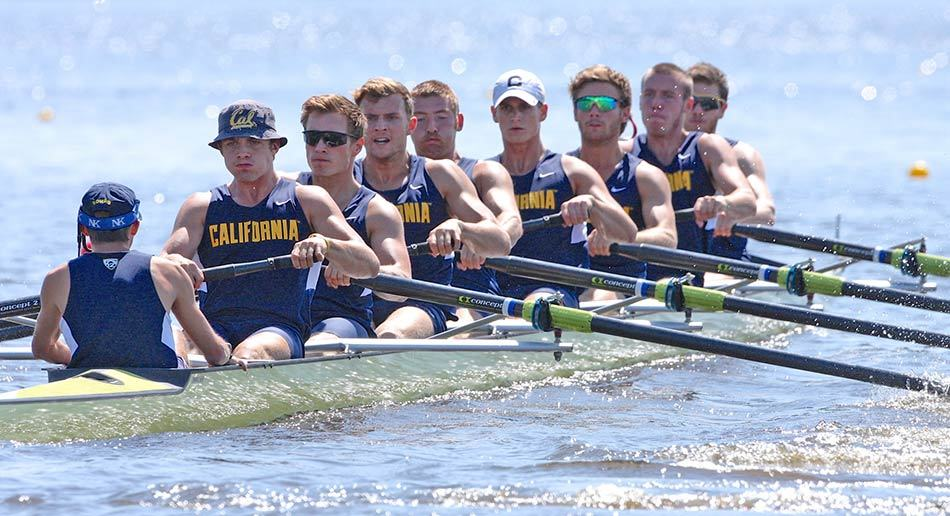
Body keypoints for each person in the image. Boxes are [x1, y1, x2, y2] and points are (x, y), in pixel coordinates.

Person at [163, 100, 379, 361]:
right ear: (221, 150)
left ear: (274, 147)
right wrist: (172, 263)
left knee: (249, 352)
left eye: (253, 143)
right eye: (232, 144)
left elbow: (368, 265)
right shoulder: (200, 207)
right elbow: (161, 267)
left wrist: (326, 244)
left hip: (279, 329)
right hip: (213, 327)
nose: (242, 152)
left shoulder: (308, 200)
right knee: (170, 338)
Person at [353, 77, 510, 339]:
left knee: (390, 334)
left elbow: (500, 242)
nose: (380, 127)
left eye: (391, 117)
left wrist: (461, 228)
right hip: (357, 307)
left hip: (424, 302)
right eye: (371, 118)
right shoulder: (343, 180)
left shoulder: (440, 174)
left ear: (409, 125)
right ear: (357, 127)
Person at [31, 183, 232, 368]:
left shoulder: (57, 278)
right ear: (134, 227)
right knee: (176, 333)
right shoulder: (168, 272)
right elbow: (214, 354)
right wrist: (228, 353)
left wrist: (77, 361)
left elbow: (42, 349)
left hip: (89, 380)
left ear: (84, 229)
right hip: (161, 384)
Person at [489, 68, 638, 307]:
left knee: (536, 301)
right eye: (507, 108)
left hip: (554, 292)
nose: (516, 117)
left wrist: (592, 206)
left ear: (543, 112)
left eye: (525, 107)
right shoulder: (484, 173)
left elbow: (627, 234)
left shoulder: (572, 170)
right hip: (494, 294)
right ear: (495, 114)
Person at [622, 63, 757, 283]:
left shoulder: (708, 147)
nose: (656, 104)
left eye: (667, 96)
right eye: (649, 95)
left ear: (688, 104)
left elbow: (747, 201)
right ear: (638, 102)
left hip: (690, 276)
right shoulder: (625, 153)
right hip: (635, 278)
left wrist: (722, 204)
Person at [295, 94, 412, 341]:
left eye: (333, 140)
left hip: (342, 322)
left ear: (357, 147)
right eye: (312, 138)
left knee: (319, 344)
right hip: (282, 319)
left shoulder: (377, 211)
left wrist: (354, 265)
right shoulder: (285, 193)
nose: (320, 148)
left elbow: (400, 285)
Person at [409, 79, 523, 321]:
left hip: (471, 293)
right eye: (421, 118)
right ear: (409, 125)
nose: (431, 128)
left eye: (441, 117)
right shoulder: (394, 179)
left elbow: (511, 221)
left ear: (458, 122)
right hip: (411, 293)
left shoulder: (484, 172)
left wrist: (475, 238)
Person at [567, 65, 677, 301]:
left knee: (598, 296)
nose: (594, 111)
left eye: (605, 104)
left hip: (624, 285)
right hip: (569, 282)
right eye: (586, 104)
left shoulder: (645, 176)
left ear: (625, 113)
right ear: (575, 112)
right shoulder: (561, 171)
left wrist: (616, 236)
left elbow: (667, 237)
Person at [686, 62, 776, 260]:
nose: (699, 110)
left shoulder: (740, 155)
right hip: (671, 260)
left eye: (709, 103)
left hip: (725, 262)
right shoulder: (657, 152)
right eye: (692, 102)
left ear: (722, 109)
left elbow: (766, 212)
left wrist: (726, 208)